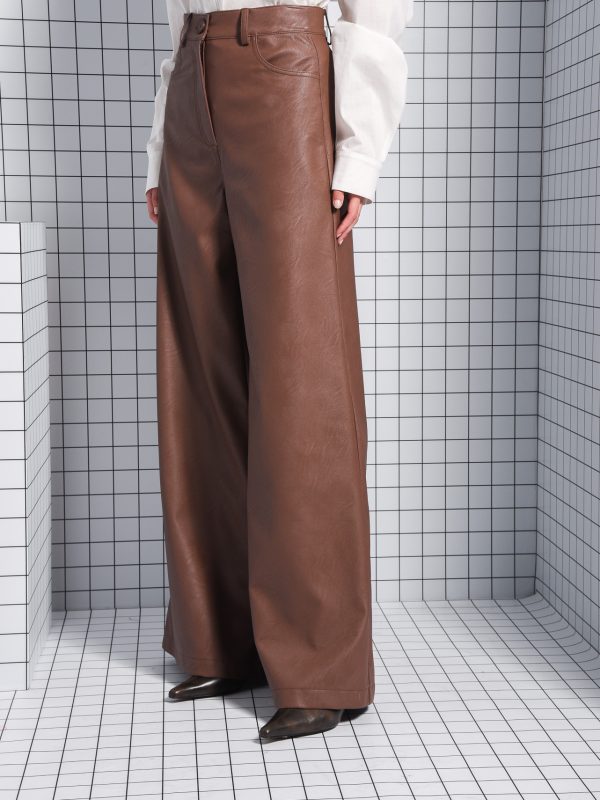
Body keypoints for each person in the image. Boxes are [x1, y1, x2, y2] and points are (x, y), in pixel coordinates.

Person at [145, 0, 413, 742]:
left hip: (284, 65)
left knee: (302, 376)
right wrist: (163, 139)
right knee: (201, 372)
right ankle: (224, 641)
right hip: (191, 77)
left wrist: (359, 152)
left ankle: (321, 667)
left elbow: (376, 11)